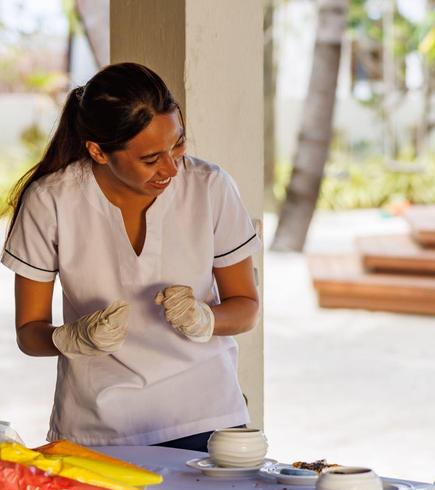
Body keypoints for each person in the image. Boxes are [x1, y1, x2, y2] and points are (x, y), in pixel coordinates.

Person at [2, 63, 261, 451]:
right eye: (151, 158)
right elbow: (29, 334)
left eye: (178, 144)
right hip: (97, 429)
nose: (172, 168)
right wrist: (69, 338)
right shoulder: (52, 200)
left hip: (206, 416)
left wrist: (205, 318)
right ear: (98, 151)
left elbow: (246, 308)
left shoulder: (210, 187)